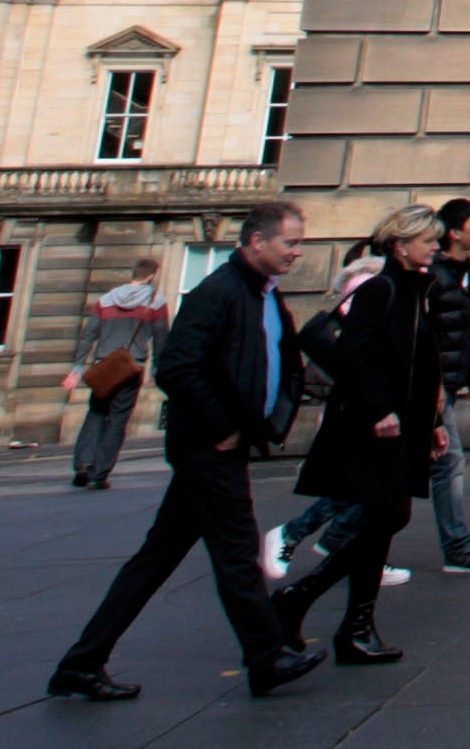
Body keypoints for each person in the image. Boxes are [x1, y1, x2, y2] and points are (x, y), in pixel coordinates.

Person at [46, 199, 327, 702]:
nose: (297, 253)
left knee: (157, 558)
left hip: (227, 443)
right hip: (208, 447)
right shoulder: (218, 292)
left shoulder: (263, 294)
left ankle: (81, 662)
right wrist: (221, 426)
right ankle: (266, 657)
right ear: (258, 241)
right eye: (291, 242)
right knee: (238, 552)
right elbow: (176, 366)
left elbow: (274, 359)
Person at [270, 205, 450, 665]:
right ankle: (335, 617)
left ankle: (336, 618)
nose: (435, 246)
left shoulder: (417, 290)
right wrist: (378, 409)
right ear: (401, 244)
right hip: (378, 428)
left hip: (405, 426)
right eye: (428, 239)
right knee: (385, 518)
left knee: (385, 521)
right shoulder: (380, 288)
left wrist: (432, 424)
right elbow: (350, 353)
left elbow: (421, 366)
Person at [263, 238, 408, 590]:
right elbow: (359, 351)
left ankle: (342, 545)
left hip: (372, 404)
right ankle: (300, 535)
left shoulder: (383, 283)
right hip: (362, 408)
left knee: (377, 489)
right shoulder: (372, 284)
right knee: (371, 487)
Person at [421, 198, 470, 571]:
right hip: (430, 385)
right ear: (454, 232)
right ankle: (458, 547)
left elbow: (465, 327)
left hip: (448, 380)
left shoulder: (464, 270)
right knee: (449, 462)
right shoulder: (435, 275)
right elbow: (429, 335)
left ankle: (329, 536)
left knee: (419, 467)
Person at [61, 256, 167, 490]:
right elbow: (161, 340)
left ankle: (83, 464)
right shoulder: (156, 302)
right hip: (132, 367)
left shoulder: (106, 300)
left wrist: (77, 368)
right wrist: (160, 370)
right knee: (117, 420)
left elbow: (88, 335)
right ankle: (99, 474)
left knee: (96, 414)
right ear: (151, 276)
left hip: (103, 366)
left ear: (134, 273)